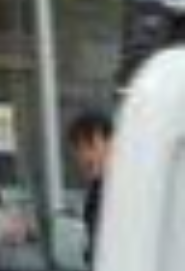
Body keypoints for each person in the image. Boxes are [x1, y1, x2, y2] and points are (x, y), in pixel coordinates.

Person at [67, 111, 114, 267]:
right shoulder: (96, 190)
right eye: (78, 147)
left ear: (111, 144)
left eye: (91, 145)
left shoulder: (128, 188)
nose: (85, 155)